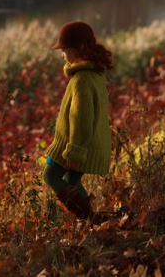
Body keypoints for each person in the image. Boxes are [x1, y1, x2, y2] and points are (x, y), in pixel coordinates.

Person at [44, 21, 113, 224]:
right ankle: (92, 220)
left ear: (78, 49)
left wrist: (75, 151)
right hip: (85, 142)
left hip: (75, 144)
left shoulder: (82, 79)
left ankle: (89, 219)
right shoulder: (96, 72)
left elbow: (81, 118)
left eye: (65, 50)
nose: (62, 55)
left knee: (50, 176)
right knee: (72, 181)